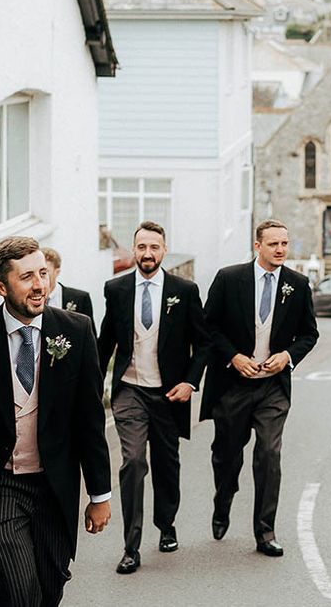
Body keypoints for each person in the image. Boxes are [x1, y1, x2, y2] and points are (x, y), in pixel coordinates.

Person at [0, 237, 112, 606]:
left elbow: (89, 420)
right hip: (0, 486)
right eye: (27, 277)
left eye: (43, 273)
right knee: (20, 589)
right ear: (1, 287)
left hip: (54, 485)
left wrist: (100, 495)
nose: (40, 285)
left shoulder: (76, 332)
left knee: (49, 588)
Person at [98, 221, 211, 574]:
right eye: (142, 247)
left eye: (154, 248)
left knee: (167, 464)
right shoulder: (115, 289)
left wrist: (190, 383)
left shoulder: (185, 290)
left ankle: (167, 524)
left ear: (164, 251)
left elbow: (204, 342)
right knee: (132, 462)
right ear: (134, 250)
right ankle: (131, 546)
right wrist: (90, 386)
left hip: (169, 394)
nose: (148, 254)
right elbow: (105, 343)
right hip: (130, 390)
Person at [200, 219, 318, 557]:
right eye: (273, 244)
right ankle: (222, 501)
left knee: (269, 453)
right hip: (233, 385)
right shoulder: (229, 279)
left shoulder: (297, 284)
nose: (280, 249)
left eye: (285, 243)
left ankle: (265, 532)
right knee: (226, 456)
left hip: (273, 389)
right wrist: (234, 357)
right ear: (257, 246)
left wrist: (287, 356)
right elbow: (209, 328)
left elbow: (309, 334)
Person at [42, 247, 96, 331]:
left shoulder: (80, 298)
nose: (41, 276)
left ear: (57, 272)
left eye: (45, 272)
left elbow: (90, 335)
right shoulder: (31, 298)